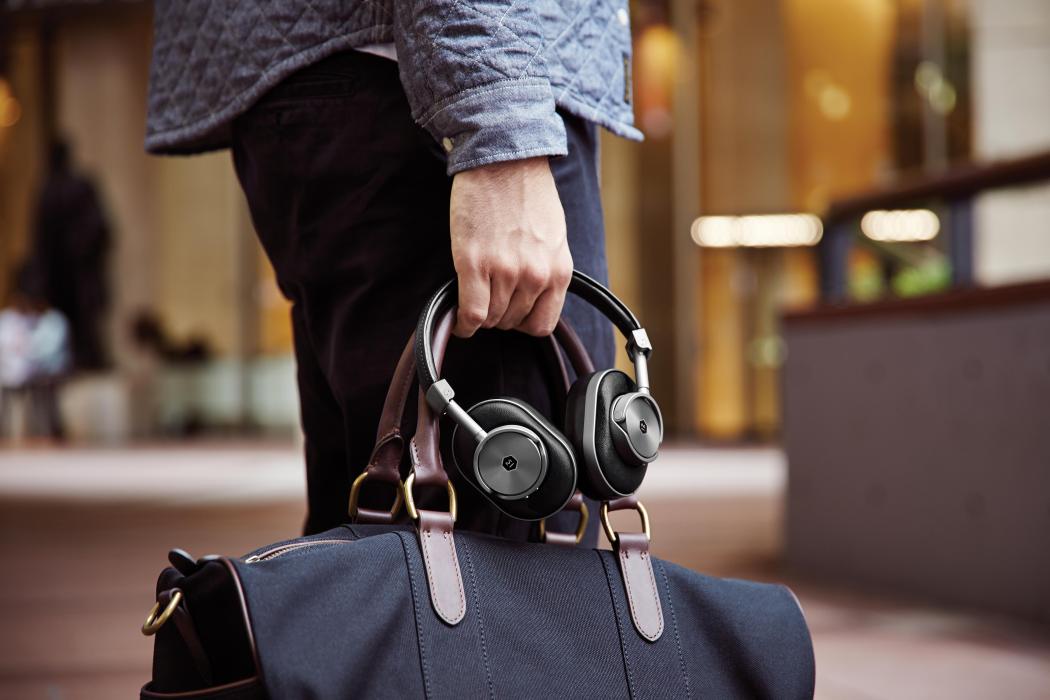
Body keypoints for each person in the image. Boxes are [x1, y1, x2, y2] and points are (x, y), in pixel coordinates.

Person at [146, 2, 642, 540]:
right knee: (509, 571)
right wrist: (500, 126)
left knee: (381, 554)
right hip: (444, 79)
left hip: (355, 75)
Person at [28, 140, 110, 371]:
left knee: (86, 320)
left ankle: (89, 358)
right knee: (64, 323)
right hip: (59, 272)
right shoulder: (46, 191)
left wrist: (81, 247)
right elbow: (40, 238)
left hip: (78, 268)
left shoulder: (80, 185)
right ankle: (69, 358)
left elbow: (99, 226)